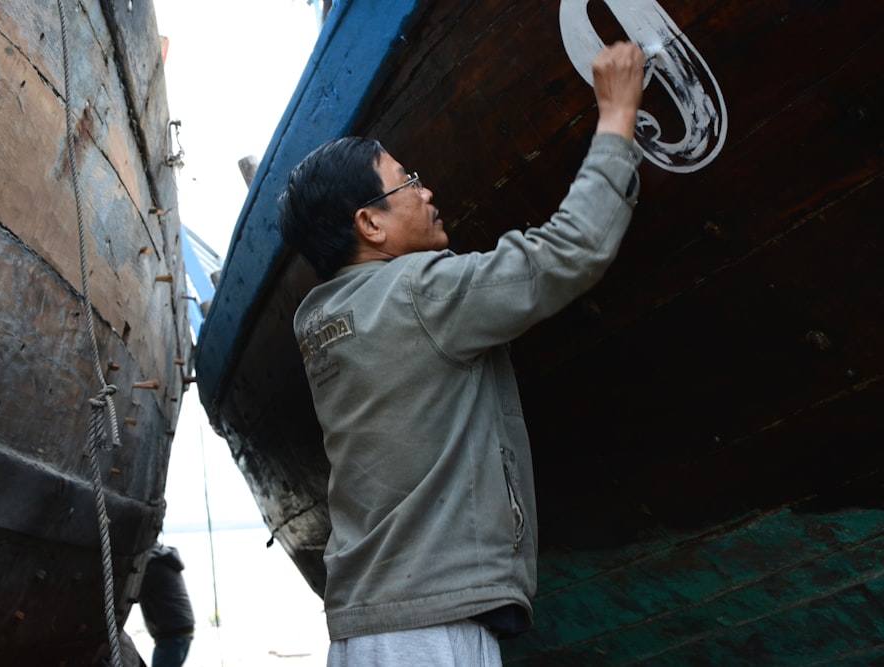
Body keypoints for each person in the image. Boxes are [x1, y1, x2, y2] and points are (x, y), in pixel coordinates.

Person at [278, 42, 645, 666]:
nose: (427, 192)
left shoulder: (323, 322)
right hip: (432, 632)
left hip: (364, 631)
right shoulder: (420, 293)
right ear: (370, 225)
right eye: (408, 182)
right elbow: (570, 251)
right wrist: (616, 119)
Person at [137, 543, 195, 667]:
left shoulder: (153, 566)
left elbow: (133, 593)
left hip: (172, 633)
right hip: (181, 628)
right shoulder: (163, 560)